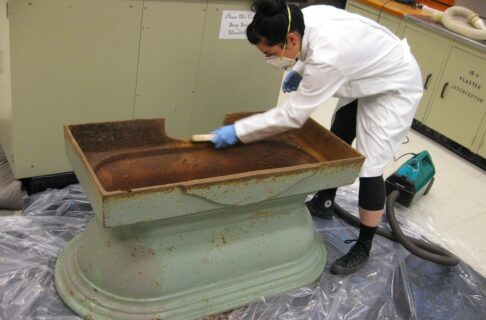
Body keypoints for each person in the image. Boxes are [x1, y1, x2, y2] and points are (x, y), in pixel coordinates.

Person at [210, 0, 423, 275]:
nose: (269, 59)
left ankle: (363, 245)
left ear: (291, 39)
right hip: (363, 71)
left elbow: (292, 117)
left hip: (394, 85)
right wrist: (298, 69)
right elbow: (310, 48)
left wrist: (238, 132)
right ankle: (324, 201)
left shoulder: (328, 58)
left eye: (270, 53)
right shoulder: (300, 17)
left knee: (370, 167)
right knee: (340, 135)